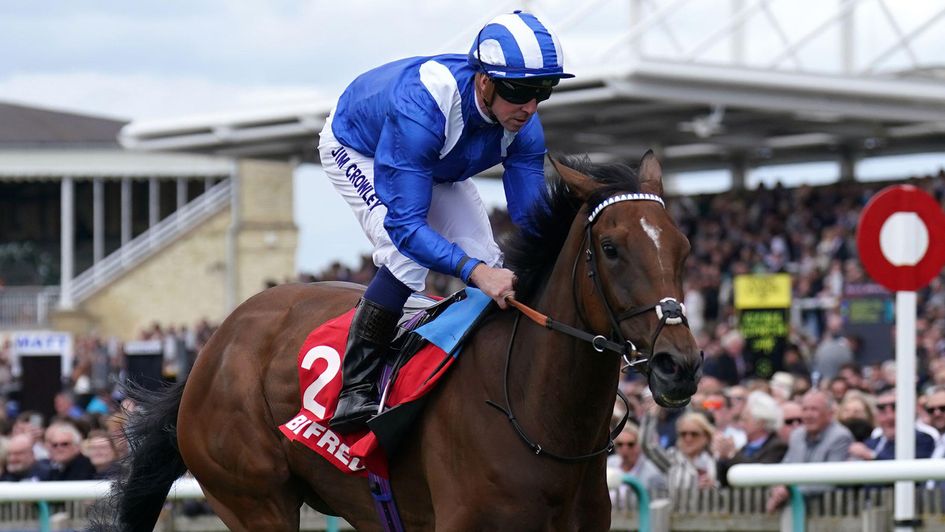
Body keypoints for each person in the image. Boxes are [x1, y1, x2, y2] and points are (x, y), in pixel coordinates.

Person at [317, 11, 573, 433]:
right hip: (358, 146)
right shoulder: (424, 104)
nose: (530, 106)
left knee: (489, 256)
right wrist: (474, 273)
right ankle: (355, 387)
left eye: (543, 91)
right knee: (407, 257)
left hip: (433, 163)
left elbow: (532, 223)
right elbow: (406, 227)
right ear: (485, 81)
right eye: (521, 91)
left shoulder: (524, 125)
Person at [766, 389, 853, 513]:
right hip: (797, 511)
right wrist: (778, 487)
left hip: (830, 511)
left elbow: (831, 481)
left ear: (829, 413)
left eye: (814, 409)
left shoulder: (840, 437)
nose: (808, 415)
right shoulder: (796, 435)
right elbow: (784, 468)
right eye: (805, 409)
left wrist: (790, 490)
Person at [716, 391, 788, 487]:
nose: (741, 425)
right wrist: (723, 457)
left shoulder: (778, 446)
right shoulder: (744, 447)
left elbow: (758, 474)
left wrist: (731, 454)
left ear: (761, 422)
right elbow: (724, 480)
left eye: (745, 420)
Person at [848, 388, 935, 461]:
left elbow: (909, 472)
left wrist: (870, 456)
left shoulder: (923, 440)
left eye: (895, 407)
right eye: (882, 409)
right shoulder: (872, 442)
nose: (889, 417)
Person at [642, 409, 718, 491]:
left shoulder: (715, 460)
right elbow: (649, 446)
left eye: (694, 434)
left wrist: (713, 488)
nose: (688, 438)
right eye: (683, 434)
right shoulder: (672, 459)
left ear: (706, 437)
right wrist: (651, 415)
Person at [607, 422, 666, 507]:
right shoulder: (610, 463)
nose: (625, 449)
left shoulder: (652, 474)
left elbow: (656, 507)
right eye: (620, 444)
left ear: (639, 445)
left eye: (630, 444)